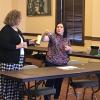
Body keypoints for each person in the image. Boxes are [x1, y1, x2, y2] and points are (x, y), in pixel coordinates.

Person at [0, 9, 34, 100]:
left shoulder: (17, 30)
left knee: (17, 83)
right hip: (9, 61)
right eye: (19, 18)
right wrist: (17, 46)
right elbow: (3, 44)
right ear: (13, 18)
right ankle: (8, 98)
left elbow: (20, 41)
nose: (20, 20)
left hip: (18, 60)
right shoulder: (6, 29)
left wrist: (28, 42)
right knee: (9, 83)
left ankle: (16, 98)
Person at [43, 22, 72, 100]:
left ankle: (56, 98)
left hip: (62, 64)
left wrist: (69, 49)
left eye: (61, 27)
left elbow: (69, 52)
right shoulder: (52, 36)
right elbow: (43, 39)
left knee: (59, 83)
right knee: (50, 82)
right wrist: (44, 33)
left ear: (64, 29)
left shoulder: (66, 38)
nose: (59, 28)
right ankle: (47, 98)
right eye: (57, 27)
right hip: (51, 62)